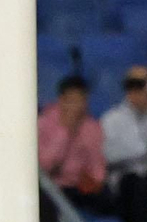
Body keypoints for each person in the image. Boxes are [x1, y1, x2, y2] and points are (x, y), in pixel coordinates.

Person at [38, 76, 107, 211]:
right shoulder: (44, 123)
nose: (77, 106)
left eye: (80, 100)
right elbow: (46, 166)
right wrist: (66, 131)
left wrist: (95, 181)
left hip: (79, 187)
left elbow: (98, 168)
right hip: (50, 186)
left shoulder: (92, 127)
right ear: (61, 100)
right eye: (72, 101)